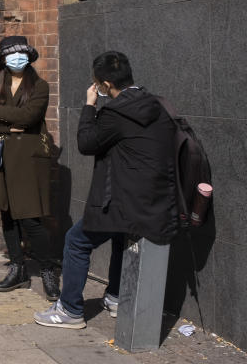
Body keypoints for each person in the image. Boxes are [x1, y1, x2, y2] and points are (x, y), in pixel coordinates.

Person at [35, 51, 178, 329]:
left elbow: (87, 143)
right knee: (119, 237)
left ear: (105, 85)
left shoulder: (116, 112)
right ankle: (115, 296)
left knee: (77, 241)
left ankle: (70, 310)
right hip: (153, 196)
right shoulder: (156, 104)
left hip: (121, 197)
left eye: (97, 84)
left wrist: (89, 106)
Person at [0, 35, 59, 300]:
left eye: (22, 53)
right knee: (8, 216)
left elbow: (29, 117)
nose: (17, 58)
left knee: (31, 219)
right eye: (12, 54)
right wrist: (4, 125)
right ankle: (18, 268)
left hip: (27, 158)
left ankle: (48, 269)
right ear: (2, 58)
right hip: (2, 158)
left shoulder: (40, 86)